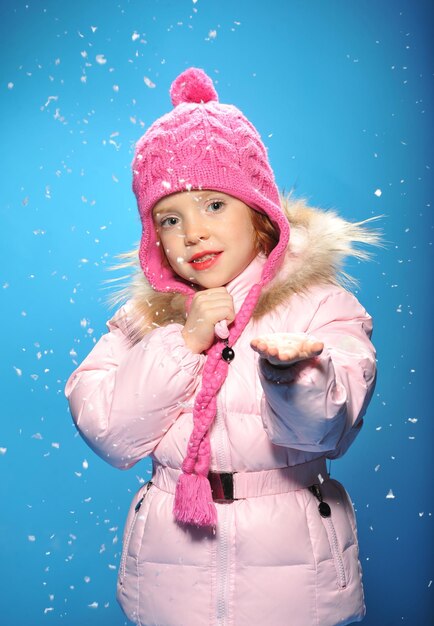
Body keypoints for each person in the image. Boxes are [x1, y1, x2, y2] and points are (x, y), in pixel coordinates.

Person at [65, 67, 378, 626]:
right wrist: (180, 344)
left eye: (214, 206)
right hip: (171, 572)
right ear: (153, 237)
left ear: (259, 213)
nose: (193, 233)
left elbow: (327, 430)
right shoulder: (144, 321)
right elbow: (109, 431)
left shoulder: (320, 305)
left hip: (294, 577)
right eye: (170, 218)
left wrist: (293, 373)